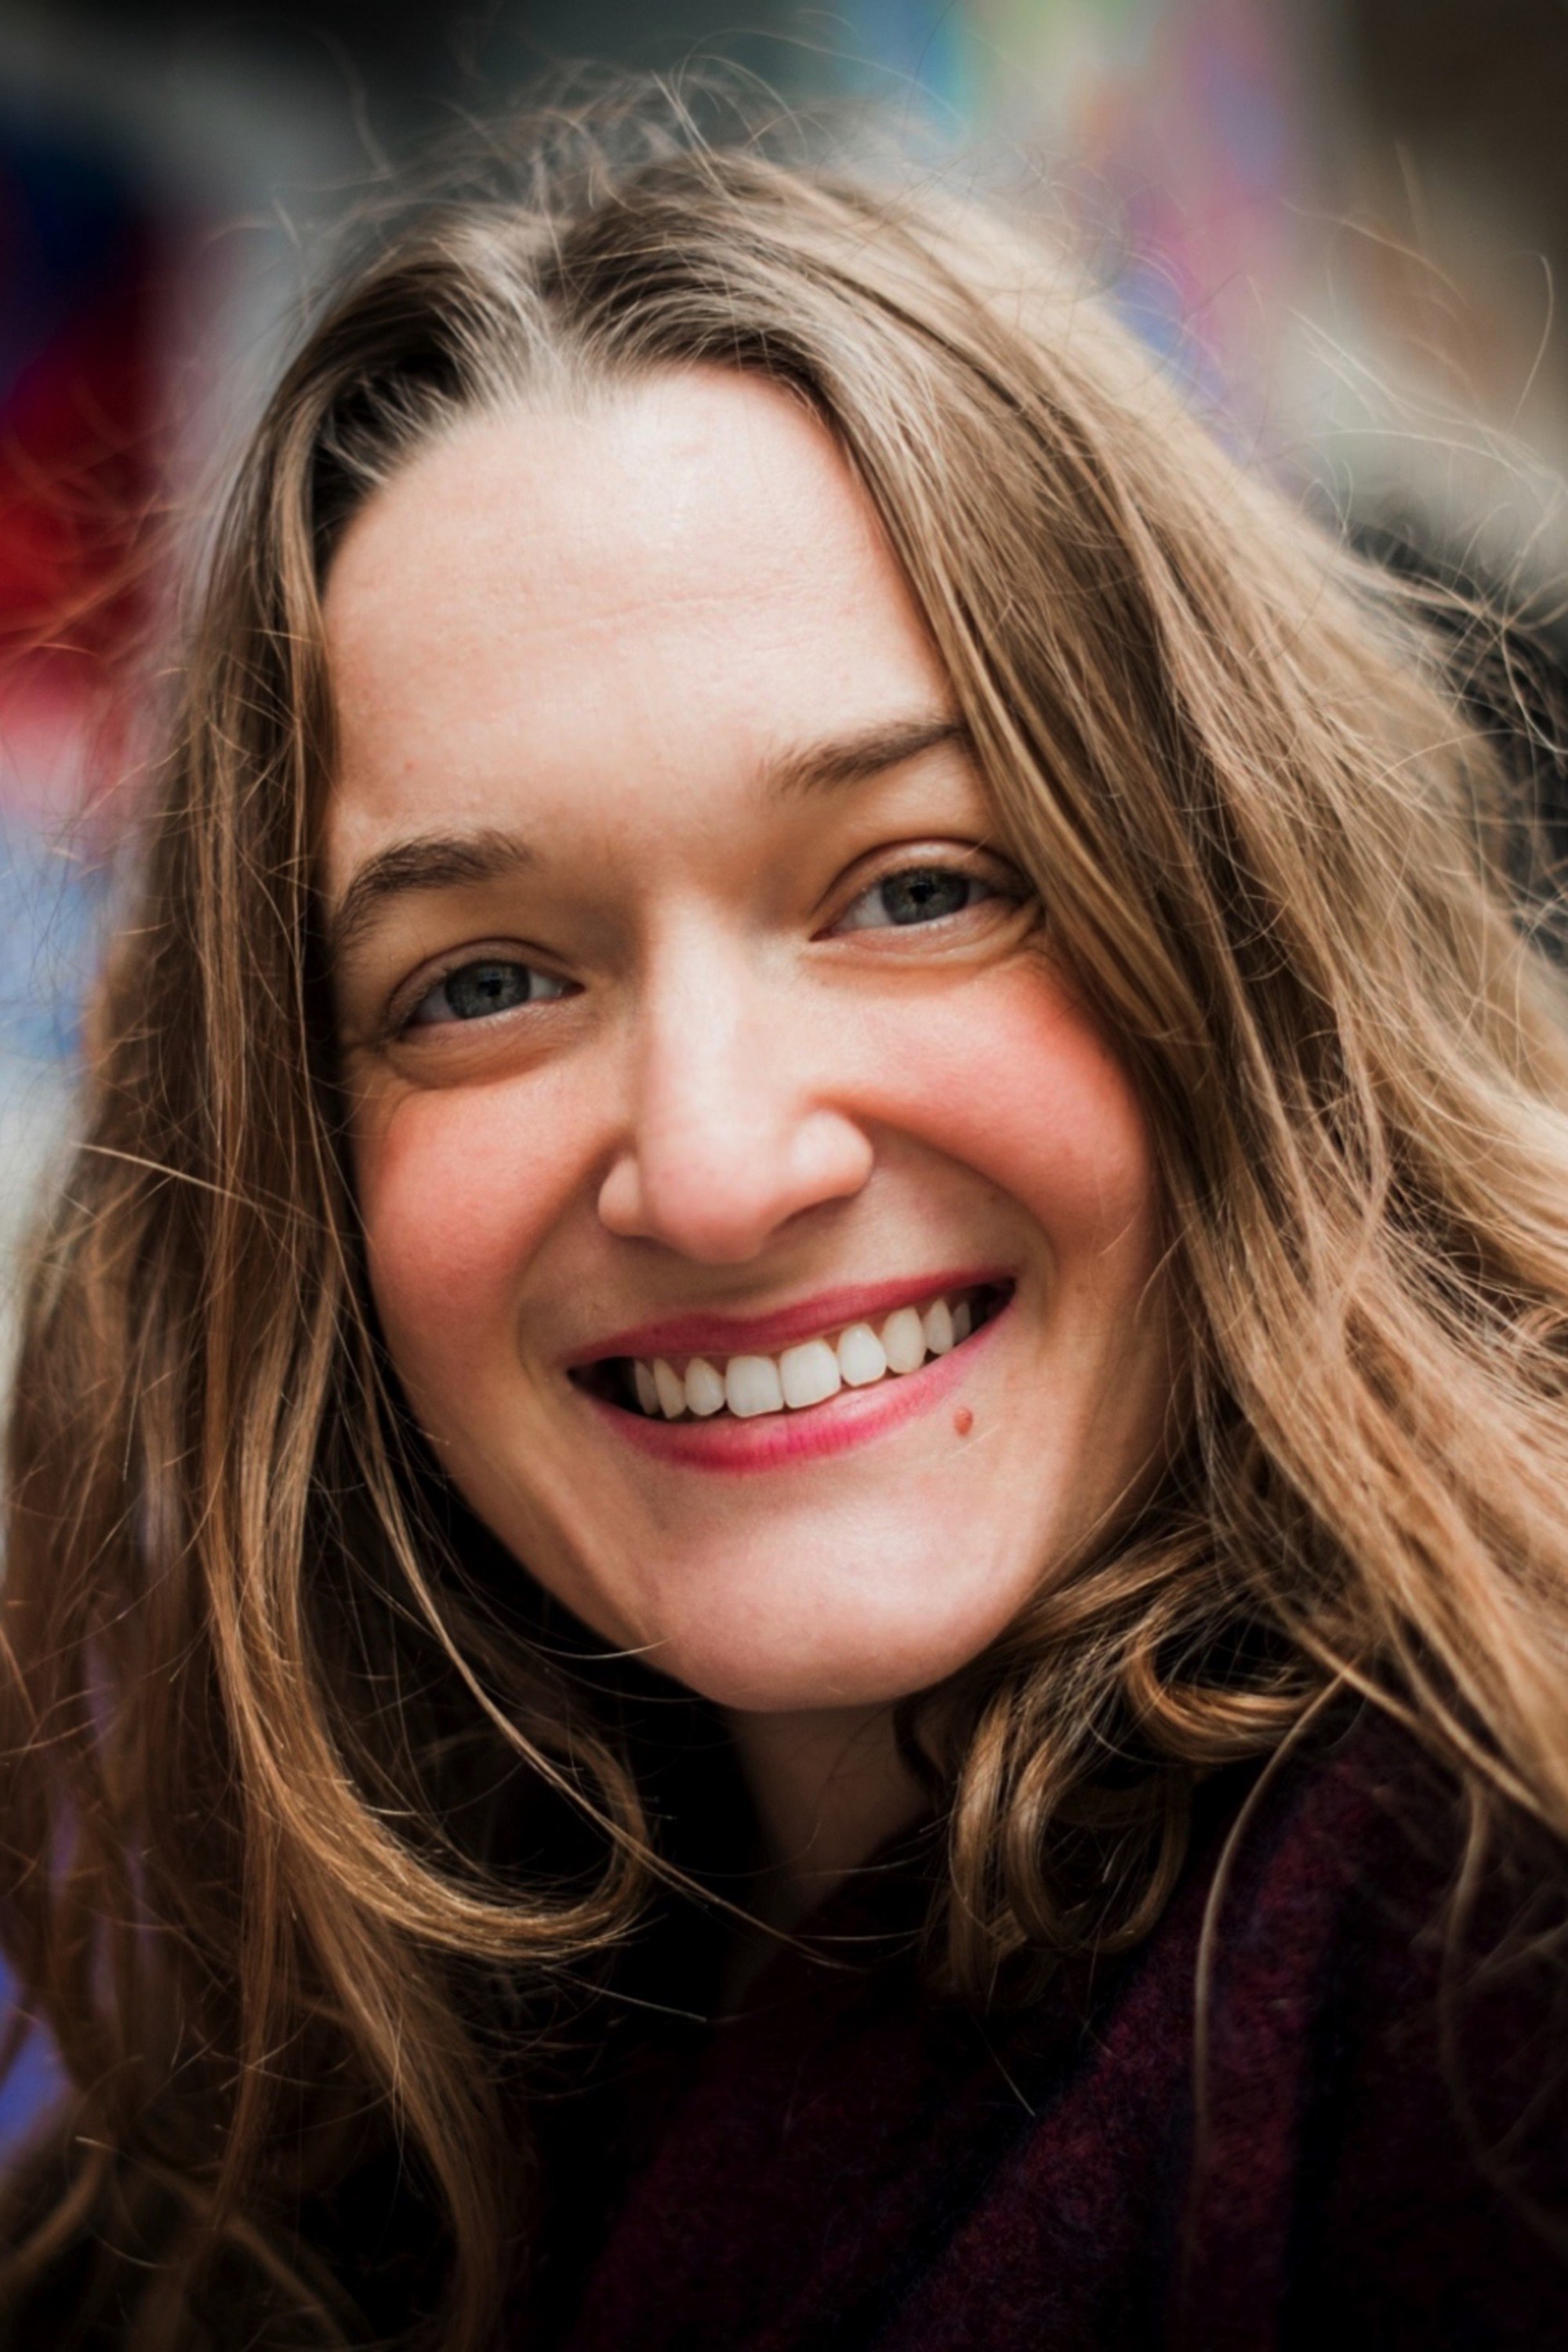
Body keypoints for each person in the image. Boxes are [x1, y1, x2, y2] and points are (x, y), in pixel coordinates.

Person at [2, 92, 1567, 2352]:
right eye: (483, 986)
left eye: (916, 891)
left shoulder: (1493, 1961)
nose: (722, 1169)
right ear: (298, 1166)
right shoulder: (270, 2157)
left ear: (1247, 938)